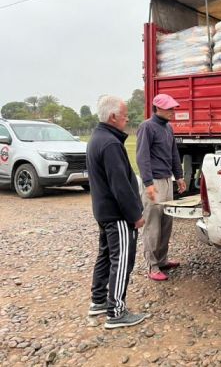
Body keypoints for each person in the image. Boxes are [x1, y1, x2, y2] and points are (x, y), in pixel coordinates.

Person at [87, 95, 146, 329]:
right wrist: (135, 215)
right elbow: (120, 185)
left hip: (104, 212)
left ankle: (99, 301)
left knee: (105, 257)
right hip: (117, 215)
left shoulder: (98, 138)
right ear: (113, 117)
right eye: (124, 114)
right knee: (121, 260)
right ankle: (116, 312)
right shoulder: (110, 144)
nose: (127, 118)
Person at [136, 93, 187, 281]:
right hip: (154, 182)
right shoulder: (147, 127)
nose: (173, 112)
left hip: (167, 180)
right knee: (153, 224)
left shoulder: (168, 128)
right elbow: (142, 157)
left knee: (166, 223)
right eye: (170, 108)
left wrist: (179, 176)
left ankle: (163, 260)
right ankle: (152, 265)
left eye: (173, 108)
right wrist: (148, 184)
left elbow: (174, 153)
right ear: (157, 108)